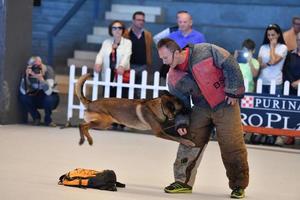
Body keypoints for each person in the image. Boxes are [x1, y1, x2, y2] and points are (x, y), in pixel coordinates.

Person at [157, 38, 249, 199]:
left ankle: (238, 186)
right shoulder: (173, 77)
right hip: (201, 107)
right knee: (189, 142)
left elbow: (230, 63)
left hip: (226, 104)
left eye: (165, 58)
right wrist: (181, 123)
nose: (164, 62)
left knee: (232, 146)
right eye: (161, 59)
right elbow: (180, 104)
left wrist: (233, 91)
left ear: (176, 52)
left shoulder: (205, 50)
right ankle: (182, 182)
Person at [256, 24, 288, 146]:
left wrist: (273, 47)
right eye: (269, 35)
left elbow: (274, 61)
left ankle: (273, 133)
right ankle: (261, 132)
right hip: (262, 81)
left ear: (278, 35)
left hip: (276, 81)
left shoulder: (283, 47)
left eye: (273, 35)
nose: (270, 38)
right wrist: (267, 63)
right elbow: (259, 64)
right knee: (262, 108)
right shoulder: (263, 47)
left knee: (274, 109)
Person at [160, 11, 206, 78]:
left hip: (192, 72)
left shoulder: (199, 37)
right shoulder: (171, 36)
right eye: (180, 22)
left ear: (190, 23)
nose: (182, 24)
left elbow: (203, 55)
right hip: (174, 71)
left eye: (185, 22)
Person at [94, 20, 132, 98]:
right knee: (107, 100)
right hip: (108, 74)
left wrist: (121, 66)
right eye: (114, 28)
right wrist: (98, 63)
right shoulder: (106, 42)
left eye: (119, 28)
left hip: (120, 74)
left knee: (120, 100)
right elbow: (100, 55)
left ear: (123, 30)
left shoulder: (127, 43)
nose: (117, 30)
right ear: (111, 30)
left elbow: (126, 55)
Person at [19, 56, 59, 127]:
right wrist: (26, 78)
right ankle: (36, 118)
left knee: (49, 99)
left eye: (38, 66)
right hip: (36, 95)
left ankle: (48, 120)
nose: (36, 69)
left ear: (41, 64)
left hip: (50, 96)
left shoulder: (48, 70)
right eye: (34, 66)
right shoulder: (28, 72)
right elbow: (23, 91)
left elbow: (49, 92)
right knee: (23, 97)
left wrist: (41, 79)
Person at [123, 11, 153, 98]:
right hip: (130, 66)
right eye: (138, 20)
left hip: (143, 66)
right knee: (129, 91)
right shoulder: (126, 34)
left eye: (143, 20)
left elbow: (149, 51)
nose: (141, 22)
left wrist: (149, 65)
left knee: (141, 92)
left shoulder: (147, 35)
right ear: (133, 21)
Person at [282, 32, 300, 145]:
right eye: (298, 39)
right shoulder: (289, 54)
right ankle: (289, 137)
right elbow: (285, 70)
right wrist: (292, 82)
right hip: (289, 88)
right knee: (288, 114)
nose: (299, 42)